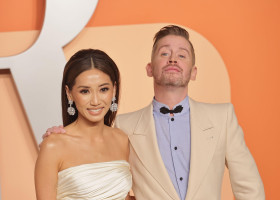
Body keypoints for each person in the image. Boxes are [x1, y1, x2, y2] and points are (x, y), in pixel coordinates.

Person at [44, 25, 265, 200]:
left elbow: (249, 188)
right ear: (149, 68)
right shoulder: (123, 127)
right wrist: (59, 140)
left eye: (182, 55)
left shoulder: (222, 117)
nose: (172, 58)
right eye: (164, 53)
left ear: (194, 72)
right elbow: (94, 170)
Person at [35, 49, 132, 200]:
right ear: (69, 93)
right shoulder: (53, 145)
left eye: (103, 89)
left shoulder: (122, 139)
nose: (95, 101)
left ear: (114, 90)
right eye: (85, 91)